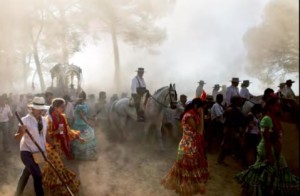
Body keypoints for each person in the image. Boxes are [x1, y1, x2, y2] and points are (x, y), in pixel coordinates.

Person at [235, 94, 299, 195]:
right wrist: (269, 155)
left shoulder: (275, 118)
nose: (279, 108)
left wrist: (290, 100)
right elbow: (267, 139)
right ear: (270, 106)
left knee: (267, 177)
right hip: (268, 151)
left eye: (279, 105)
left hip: (274, 151)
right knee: (262, 176)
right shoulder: (267, 119)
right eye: (276, 105)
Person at [161, 98, 209, 195]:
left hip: (188, 144)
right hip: (188, 146)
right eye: (201, 108)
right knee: (187, 167)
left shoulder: (191, 114)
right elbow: (199, 131)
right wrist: (202, 116)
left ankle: (185, 189)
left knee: (186, 167)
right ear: (196, 106)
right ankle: (185, 189)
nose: (202, 109)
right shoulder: (189, 116)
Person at [42, 98, 84, 196]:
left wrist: (78, 137)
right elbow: (45, 135)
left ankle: (50, 189)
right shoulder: (48, 119)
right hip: (50, 147)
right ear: (55, 107)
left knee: (53, 168)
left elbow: (67, 131)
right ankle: (62, 190)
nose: (64, 108)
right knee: (60, 167)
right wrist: (56, 132)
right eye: (62, 107)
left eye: (64, 106)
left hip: (59, 146)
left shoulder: (62, 117)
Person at [14, 97, 49, 196]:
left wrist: (52, 144)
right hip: (26, 152)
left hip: (38, 152)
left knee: (26, 173)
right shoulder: (25, 120)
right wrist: (21, 132)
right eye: (37, 108)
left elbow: (45, 135)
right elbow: (16, 137)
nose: (40, 110)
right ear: (32, 109)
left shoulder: (44, 120)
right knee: (37, 176)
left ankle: (17, 193)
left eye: (41, 108)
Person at [71, 91, 97, 160]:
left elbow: (85, 115)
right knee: (81, 138)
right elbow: (82, 116)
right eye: (80, 97)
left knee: (88, 137)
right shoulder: (78, 106)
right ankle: (80, 155)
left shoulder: (85, 104)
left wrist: (91, 118)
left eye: (83, 97)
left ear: (84, 98)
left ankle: (87, 155)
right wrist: (89, 123)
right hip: (79, 124)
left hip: (84, 123)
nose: (81, 98)